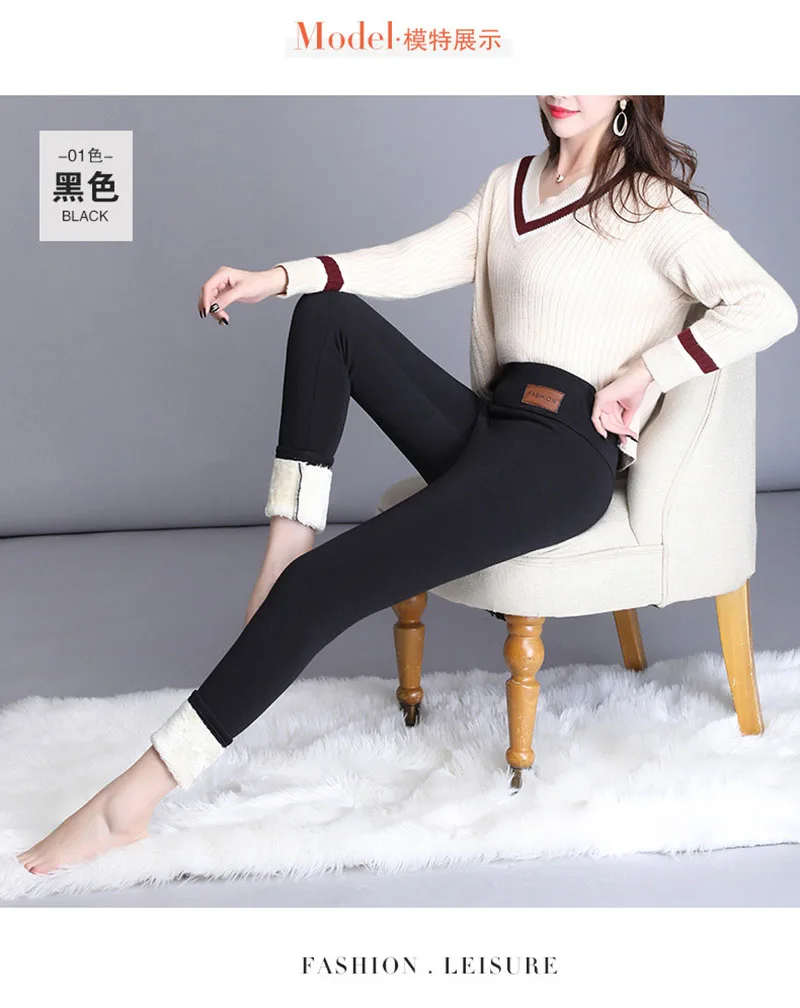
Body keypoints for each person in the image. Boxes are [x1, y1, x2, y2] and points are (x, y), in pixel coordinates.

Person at [17, 95, 797, 875]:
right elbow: (410, 260)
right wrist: (276, 278)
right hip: (491, 427)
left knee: (322, 590)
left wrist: (649, 371)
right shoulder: (512, 186)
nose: (564, 87)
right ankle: (288, 542)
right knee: (327, 317)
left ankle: (129, 805)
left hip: (559, 461)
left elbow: (769, 305)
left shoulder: (652, 206)